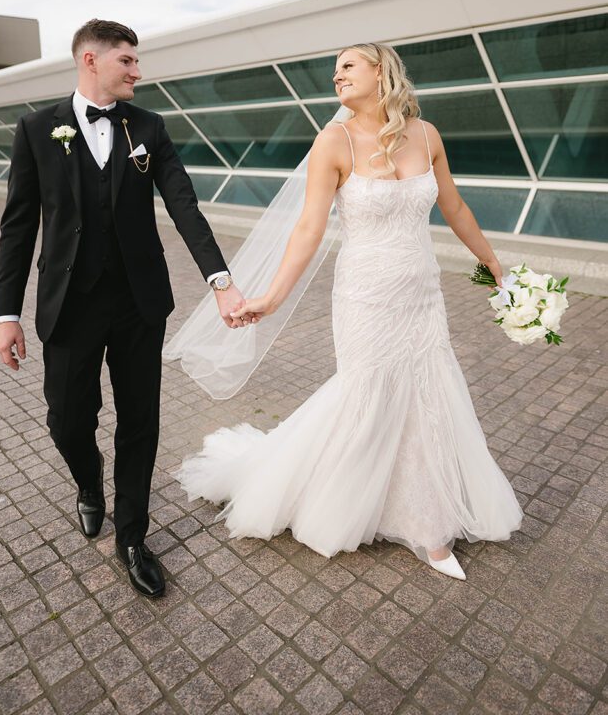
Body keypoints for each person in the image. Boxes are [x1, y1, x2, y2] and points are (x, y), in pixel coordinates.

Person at [177, 42, 524, 580]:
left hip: (422, 293)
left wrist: (493, 264)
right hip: (365, 295)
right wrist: (271, 296)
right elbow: (309, 228)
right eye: (334, 69)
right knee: (368, 393)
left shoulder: (427, 135)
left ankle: (426, 519)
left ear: (381, 71)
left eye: (348, 66)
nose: (336, 75)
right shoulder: (332, 141)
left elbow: (452, 204)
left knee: (427, 394)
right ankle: (371, 510)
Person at [0, 18, 247, 599]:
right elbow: (17, 228)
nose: (138, 70)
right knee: (67, 419)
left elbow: (184, 205)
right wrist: (5, 314)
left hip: (139, 304)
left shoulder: (150, 128)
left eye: (137, 61)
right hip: (69, 306)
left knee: (140, 421)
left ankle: (132, 536)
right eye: (127, 61)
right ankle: (89, 483)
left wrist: (221, 281)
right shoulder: (37, 129)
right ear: (91, 61)